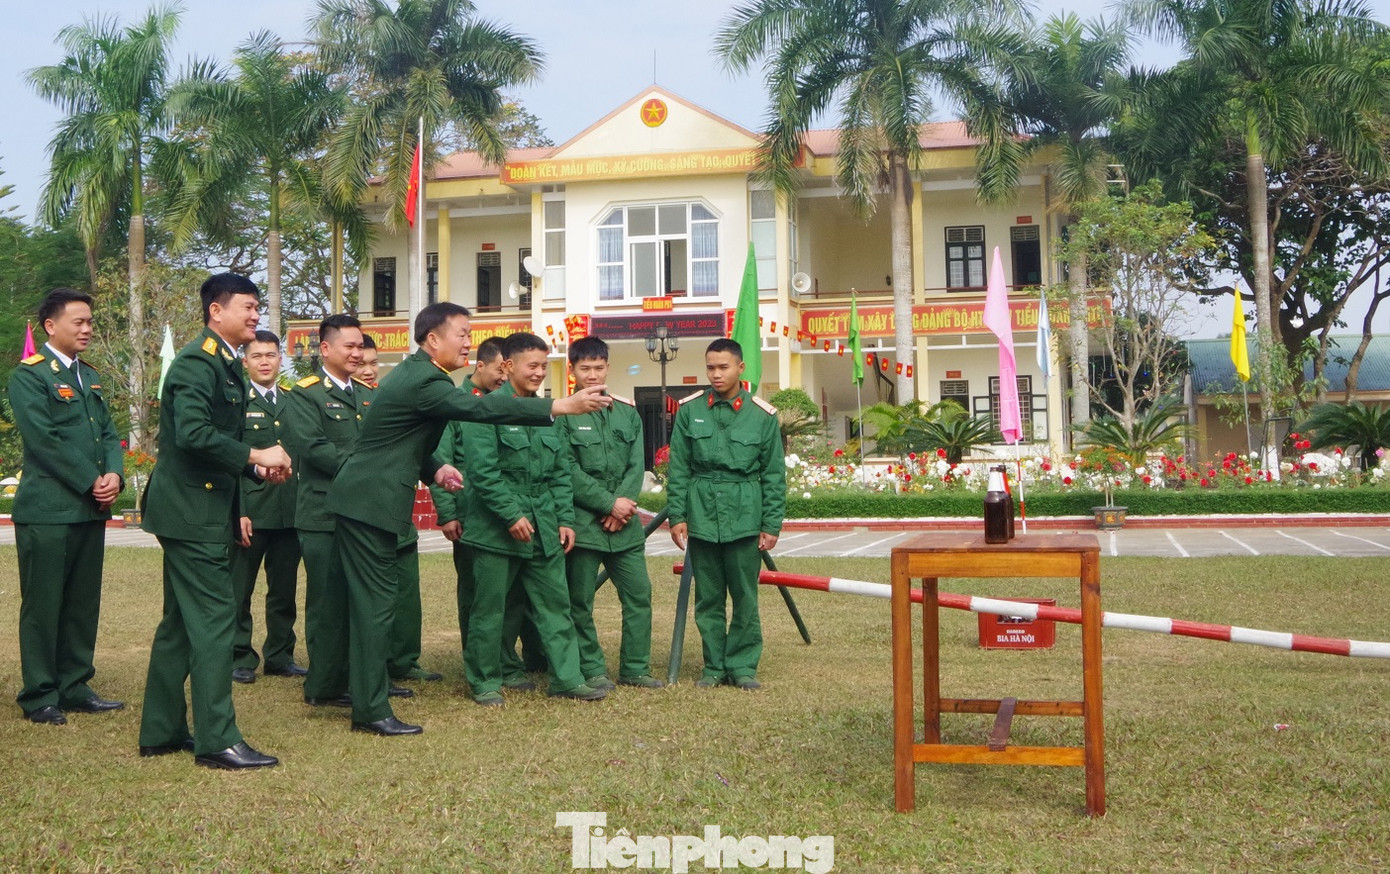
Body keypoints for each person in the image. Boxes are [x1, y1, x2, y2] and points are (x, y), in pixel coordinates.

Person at [328, 305, 612, 735]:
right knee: (375, 607)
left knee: (375, 605)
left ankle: (359, 696)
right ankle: (370, 709)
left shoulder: (417, 375)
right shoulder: (426, 379)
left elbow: (398, 437)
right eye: (461, 334)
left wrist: (434, 468)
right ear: (432, 340)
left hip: (368, 500)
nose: (468, 343)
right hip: (369, 503)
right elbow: (479, 411)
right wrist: (560, 405)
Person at [138, 273, 292, 769]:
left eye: (257, 307)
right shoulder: (196, 363)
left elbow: (217, 443)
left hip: (201, 508)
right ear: (216, 311)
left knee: (180, 624)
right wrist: (257, 453)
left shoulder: (225, 364)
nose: (255, 315)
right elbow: (193, 434)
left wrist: (253, 469)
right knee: (213, 621)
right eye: (247, 306)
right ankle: (217, 740)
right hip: (191, 512)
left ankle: (161, 731)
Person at [459, 332, 606, 707]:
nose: (540, 372)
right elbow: (482, 473)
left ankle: (567, 678)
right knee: (490, 609)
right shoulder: (484, 409)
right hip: (495, 526)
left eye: (544, 365)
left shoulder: (547, 412)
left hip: (544, 522)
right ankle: (485, 681)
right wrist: (511, 515)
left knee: (556, 604)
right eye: (533, 365)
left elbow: (559, 472)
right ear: (508, 366)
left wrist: (565, 519)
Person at [8, 287, 125, 726]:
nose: (88, 329)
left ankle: (75, 685)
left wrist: (114, 474)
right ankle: (40, 694)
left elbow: (108, 433)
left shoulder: (88, 376)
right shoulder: (30, 376)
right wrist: (91, 480)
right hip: (48, 510)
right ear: (50, 326)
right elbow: (44, 440)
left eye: (90, 321)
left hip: (88, 510)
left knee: (81, 603)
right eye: (79, 321)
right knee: (43, 605)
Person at [282, 315, 394, 708]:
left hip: (364, 513)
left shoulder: (367, 394)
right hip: (323, 513)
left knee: (361, 601)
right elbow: (314, 448)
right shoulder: (305, 394)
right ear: (326, 348)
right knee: (327, 603)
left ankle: (359, 677)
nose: (357, 353)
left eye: (360, 346)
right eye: (349, 346)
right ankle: (324, 685)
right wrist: (367, 471)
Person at [667, 338, 786, 690]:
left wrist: (771, 523)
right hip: (702, 512)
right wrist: (677, 516)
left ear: (740, 368)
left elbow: (774, 474)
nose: (716, 374)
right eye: (711, 368)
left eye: (723, 367)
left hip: (744, 513)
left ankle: (743, 665)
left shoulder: (762, 415)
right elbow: (679, 468)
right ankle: (714, 666)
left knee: (745, 596)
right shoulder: (689, 410)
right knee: (708, 597)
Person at [428, 337, 540, 686]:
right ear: (482, 365)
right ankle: (477, 659)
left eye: (508, 370)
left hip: (503, 510)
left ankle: (505, 659)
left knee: (510, 594)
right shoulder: (457, 403)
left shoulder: (508, 402)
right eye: (498, 370)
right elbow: (440, 459)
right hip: (468, 512)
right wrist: (448, 513)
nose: (504, 377)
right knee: (476, 594)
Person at [557, 336, 662, 689]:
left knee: (639, 595)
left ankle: (635, 668)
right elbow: (566, 469)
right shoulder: (563, 416)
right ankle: (592, 669)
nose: (592, 375)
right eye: (584, 368)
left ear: (607, 368)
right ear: (572, 370)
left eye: (598, 368)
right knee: (579, 602)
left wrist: (621, 505)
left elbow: (636, 465)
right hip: (584, 525)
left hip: (624, 527)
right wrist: (608, 504)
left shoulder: (627, 413)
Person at [229, 330, 304, 683]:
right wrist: (239, 510)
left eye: (270, 355)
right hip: (252, 511)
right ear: (245, 361)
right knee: (239, 589)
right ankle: (239, 656)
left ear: (280, 359)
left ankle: (280, 654)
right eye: (257, 356)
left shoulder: (294, 401)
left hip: (289, 510)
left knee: (284, 590)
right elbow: (231, 460)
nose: (264, 362)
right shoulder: (236, 403)